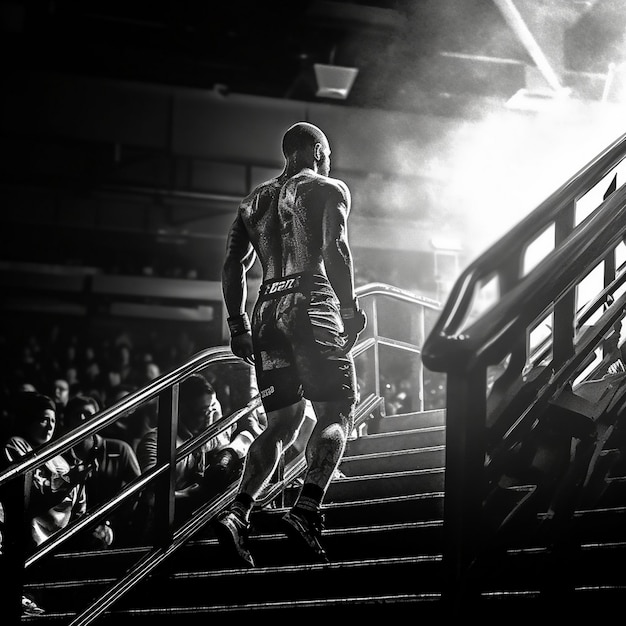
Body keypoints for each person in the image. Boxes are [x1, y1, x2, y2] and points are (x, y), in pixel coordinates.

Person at [214, 121, 366, 567]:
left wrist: (237, 324)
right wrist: (350, 307)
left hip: (265, 310)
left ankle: (239, 512)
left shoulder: (251, 201)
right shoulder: (327, 187)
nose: (330, 160)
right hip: (310, 301)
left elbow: (232, 266)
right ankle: (307, 509)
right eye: (328, 152)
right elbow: (335, 247)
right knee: (336, 409)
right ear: (317, 150)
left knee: (282, 423)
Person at [135, 373, 264, 534]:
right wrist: (193, 493)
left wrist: (229, 452)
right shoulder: (155, 442)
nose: (209, 415)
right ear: (182, 409)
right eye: (203, 411)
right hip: (166, 527)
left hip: (203, 518)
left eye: (212, 407)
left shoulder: (216, 432)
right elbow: (153, 496)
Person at [62, 394, 142, 548]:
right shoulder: (58, 456)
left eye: (89, 414)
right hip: (68, 530)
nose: (83, 418)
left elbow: (137, 489)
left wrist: (113, 522)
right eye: (77, 415)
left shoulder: (119, 449)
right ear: (67, 421)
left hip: (110, 528)